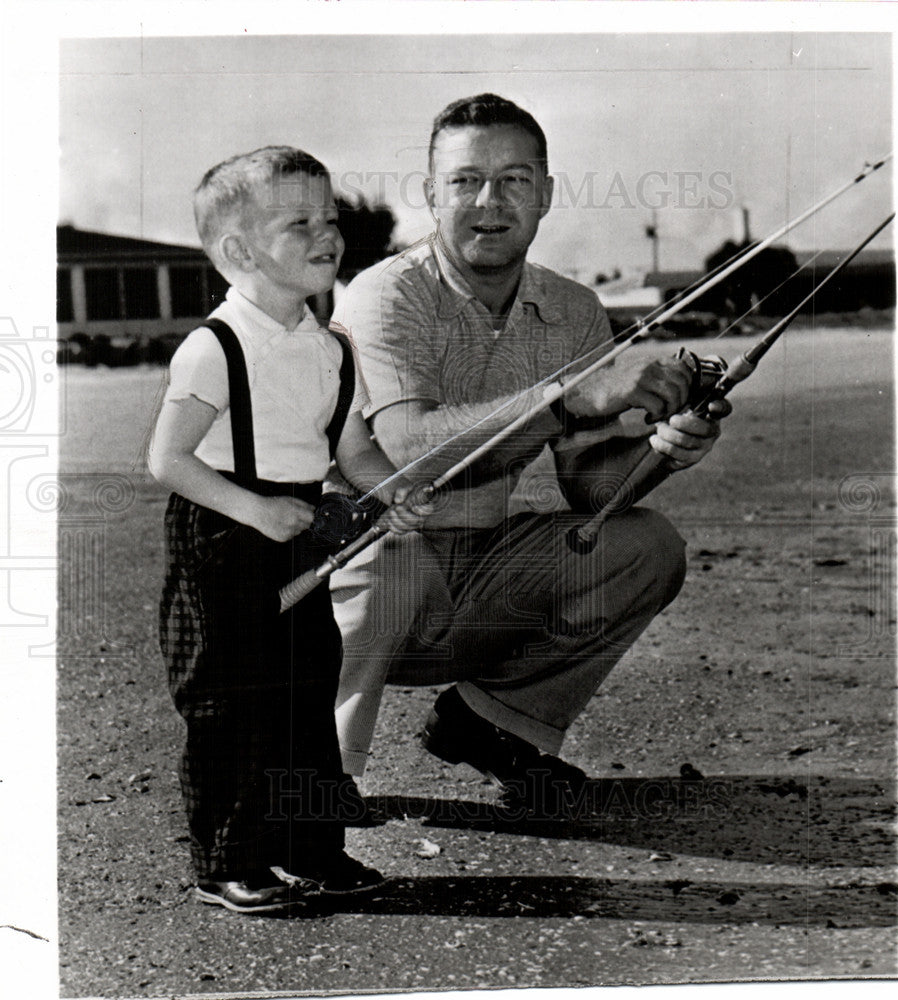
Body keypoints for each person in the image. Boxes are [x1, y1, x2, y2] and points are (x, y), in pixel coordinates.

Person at [330, 94, 729, 811]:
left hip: (475, 579)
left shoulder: (575, 309)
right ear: (430, 195)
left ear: (545, 194)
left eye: (514, 179)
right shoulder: (383, 295)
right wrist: (571, 398)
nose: (490, 201)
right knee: (391, 562)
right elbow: (413, 452)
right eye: (465, 180)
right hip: (352, 584)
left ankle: (490, 724)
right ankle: (326, 776)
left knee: (646, 546)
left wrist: (664, 450)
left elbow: (589, 489)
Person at [149, 146, 432, 914]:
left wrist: (399, 493)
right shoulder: (215, 346)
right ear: (239, 251)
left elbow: (355, 453)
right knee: (231, 706)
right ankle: (227, 863)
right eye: (298, 221)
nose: (326, 234)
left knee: (307, 690)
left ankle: (314, 849)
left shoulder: (331, 348)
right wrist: (254, 509)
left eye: (330, 218)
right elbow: (168, 460)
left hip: (301, 530)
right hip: (223, 535)